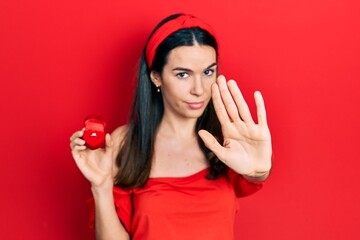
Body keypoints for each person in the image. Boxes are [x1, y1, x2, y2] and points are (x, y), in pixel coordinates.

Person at [70, 13, 272, 240]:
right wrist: (101, 186)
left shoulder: (228, 139)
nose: (199, 89)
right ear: (156, 77)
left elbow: (252, 176)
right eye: (183, 74)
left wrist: (259, 172)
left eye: (208, 72)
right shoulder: (126, 144)